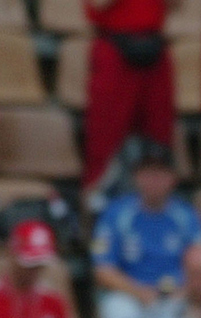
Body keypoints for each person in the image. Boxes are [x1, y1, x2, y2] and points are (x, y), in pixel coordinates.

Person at [91, 143, 201, 318]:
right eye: (148, 173)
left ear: (173, 178)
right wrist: (140, 293)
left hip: (177, 295)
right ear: (136, 176)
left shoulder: (187, 216)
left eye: (161, 173)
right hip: (130, 294)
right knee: (121, 317)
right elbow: (103, 271)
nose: (154, 180)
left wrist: (182, 293)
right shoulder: (115, 213)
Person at [81, 0, 176, 194]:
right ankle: (95, 213)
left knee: (159, 139)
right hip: (114, 49)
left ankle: (157, 204)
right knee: (104, 141)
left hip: (153, 47)